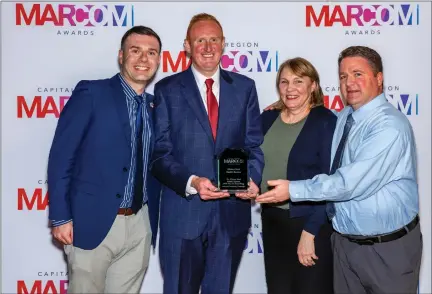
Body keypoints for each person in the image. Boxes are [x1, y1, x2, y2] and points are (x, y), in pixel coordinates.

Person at [257, 46, 422, 294]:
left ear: (379, 78)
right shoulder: (345, 117)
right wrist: (286, 105)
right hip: (345, 245)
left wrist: (293, 190)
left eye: (358, 74)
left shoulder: (390, 127)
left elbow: (347, 183)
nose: (349, 83)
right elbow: (308, 120)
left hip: (386, 249)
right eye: (344, 76)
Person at [151, 13, 264, 294]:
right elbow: (159, 154)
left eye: (214, 39)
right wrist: (192, 183)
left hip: (230, 216)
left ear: (224, 44)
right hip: (183, 216)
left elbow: (253, 146)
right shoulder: (167, 90)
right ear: (187, 46)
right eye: (200, 40)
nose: (208, 47)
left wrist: (252, 178)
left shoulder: (245, 87)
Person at [47, 25, 162, 293]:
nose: (144, 59)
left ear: (158, 60)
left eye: (151, 52)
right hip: (91, 221)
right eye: (136, 50)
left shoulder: (157, 106)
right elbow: (61, 158)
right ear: (121, 56)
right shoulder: (91, 94)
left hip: (139, 224)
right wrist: (61, 217)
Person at [259, 57, 335, 294]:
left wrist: (310, 232)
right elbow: (251, 159)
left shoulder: (326, 122)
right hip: (273, 223)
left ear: (313, 86)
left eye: (298, 81)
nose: (290, 88)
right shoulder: (268, 118)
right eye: (284, 82)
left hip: (310, 224)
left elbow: (331, 183)